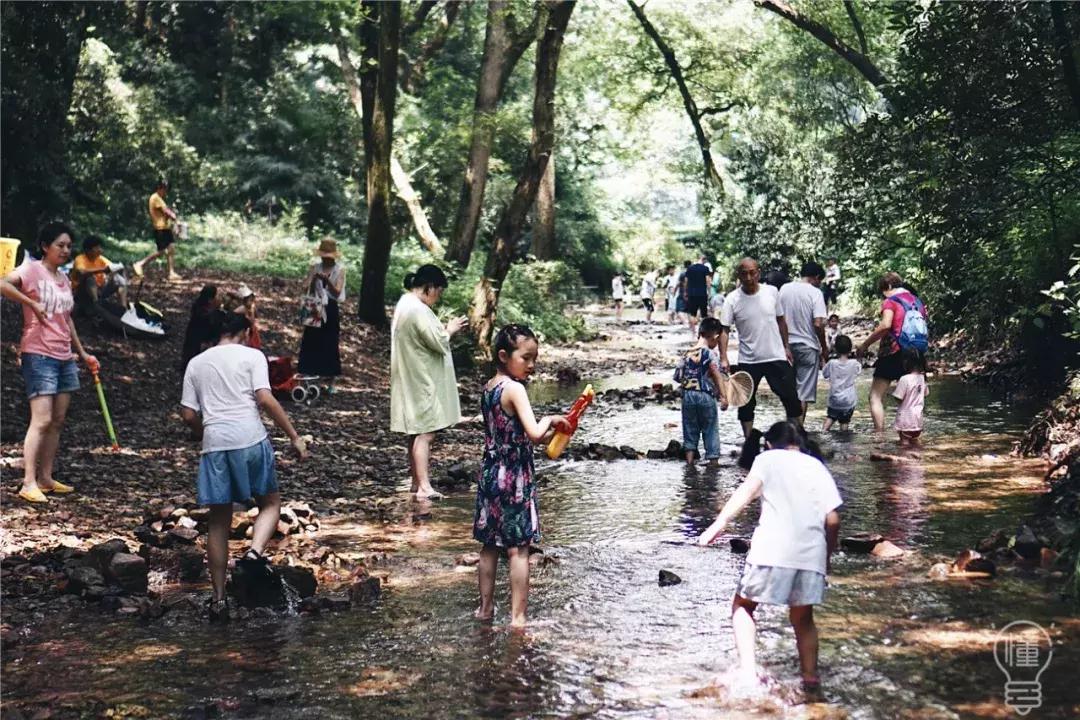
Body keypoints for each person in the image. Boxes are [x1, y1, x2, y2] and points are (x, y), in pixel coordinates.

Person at [180, 311, 308, 621]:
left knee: (218, 522)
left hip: (215, 444)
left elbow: (187, 413)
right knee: (270, 502)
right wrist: (294, 436)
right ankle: (253, 555)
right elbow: (264, 398)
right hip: (250, 439)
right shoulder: (253, 356)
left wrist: (203, 432)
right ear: (246, 331)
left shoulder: (197, 363)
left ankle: (219, 599)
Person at [698, 421, 842, 693]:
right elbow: (833, 520)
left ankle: (748, 672)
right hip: (810, 556)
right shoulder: (817, 466)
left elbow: (745, 493)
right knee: (803, 619)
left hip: (771, 551)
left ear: (768, 443)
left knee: (743, 606)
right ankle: (811, 681)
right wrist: (826, 556)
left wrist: (716, 527)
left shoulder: (767, 459)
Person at [473, 324, 569, 628]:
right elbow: (536, 434)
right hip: (514, 476)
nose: (532, 365)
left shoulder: (490, 387)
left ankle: (485, 610)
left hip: (490, 471)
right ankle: (518, 618)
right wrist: (553, 419)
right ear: (504, 355)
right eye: (526, 358)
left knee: (489, 544)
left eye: (535, 359)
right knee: (519, 548)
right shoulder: (515, 389)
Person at [0, 222, 99, 503]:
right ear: (45, 246)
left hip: (64, 356)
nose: (66, 250)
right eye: (60, 245)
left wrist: (82, 353)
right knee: (41, 420)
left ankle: (46, 478)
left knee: (57, 420)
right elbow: (2, 284)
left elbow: (67, 319)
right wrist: (31, 304)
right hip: (38, 354)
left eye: (69, 246)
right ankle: (28, 482)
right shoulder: (31, 270)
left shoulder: (64, 279)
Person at [390, 264, 468, 499]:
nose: (439, 296)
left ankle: (417, 483)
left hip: (412, 374)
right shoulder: (417, 309)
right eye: (439, 291)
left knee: (416, 431)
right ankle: (424, 486)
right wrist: (451, 329)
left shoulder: (405, 303)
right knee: (426, 432)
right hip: (421, 377)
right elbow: (437, 341)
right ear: (429, 287)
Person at [719, 258, 802, 439]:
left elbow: (781, 320)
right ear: (738, 275)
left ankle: (796, 437)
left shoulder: (771, 292)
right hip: (748, 359)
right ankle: (748, 440)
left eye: (752, 273)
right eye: (744, 274)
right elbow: (724, 330)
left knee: (791, 397)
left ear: (759, 272)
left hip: (776, 355)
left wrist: (786, 347)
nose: (749, 278)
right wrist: (723, 357)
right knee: (745, 402)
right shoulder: (732, 299)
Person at [856, 272, 929, 431]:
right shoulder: (917, 301)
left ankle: (879, 436)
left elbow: (886, 325)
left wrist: (865, 345)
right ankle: (911, 432)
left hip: (893, 351)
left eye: (883, 291)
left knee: (875, 396)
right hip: (915, 353)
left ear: (888, 287)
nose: (884, 295)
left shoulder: (891, 301)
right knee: (912, 395)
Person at [778, 262, 828, 424]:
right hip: (808, 346)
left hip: (784, 347)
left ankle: (789, 430)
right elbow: (818, 324)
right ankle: (798, 433)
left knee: (790, 393)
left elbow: (777, 317)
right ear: (817, 277)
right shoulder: (816, 293)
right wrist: (824, 347)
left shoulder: (784, 288)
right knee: (803, 393)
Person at [675, 317, 729, 465]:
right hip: (705, 395)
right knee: (710, 429)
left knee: (689, 429)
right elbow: (717, 375)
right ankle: (713, 465)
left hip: (688, 396)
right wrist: (723, 396)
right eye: (717, 342)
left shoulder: (686, 354)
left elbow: (678, 376)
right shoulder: (710, 354)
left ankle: (690, 464)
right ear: (716, 337)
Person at [297, 238, 346, 390]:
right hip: (315, 305)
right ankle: (308, 374)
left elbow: (337, 292)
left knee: (330, 341)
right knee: (311, 339)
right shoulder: (315, 267)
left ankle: (331, 380)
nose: (325, 258)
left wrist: (327, 280)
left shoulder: (340, 270)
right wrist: (313, 277)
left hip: (330, 307)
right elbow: (305, 287)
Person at [133, 180, 182, 281]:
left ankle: (171, 273)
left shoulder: (159, 198)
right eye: (165, 189)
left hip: (165, 228)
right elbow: (166, 211)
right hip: (160, 228)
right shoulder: (155, 197)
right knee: (162, 251)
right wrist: (173, 216)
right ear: (160, 188)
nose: (166, 192)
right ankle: (140, 264)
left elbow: (163, 213)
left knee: (171, 248)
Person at [71, 235, 127, 310]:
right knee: (89, 278)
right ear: (88, 250)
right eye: (97, 248)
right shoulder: (80, 259)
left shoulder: (100, 259)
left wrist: (117, 269)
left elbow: (111, 267)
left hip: (99, 290)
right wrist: (103, 270)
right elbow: (81, 272)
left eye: (100, 248)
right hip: (82, 293)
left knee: (119, 279)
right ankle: (97, 307)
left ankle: (123, 307)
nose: (100, 250)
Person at [822, 335, 860, 431]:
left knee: (830, 417)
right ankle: (844, 442)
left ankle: (823, 434)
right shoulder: (854, 363)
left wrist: (823, 360)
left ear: (835, 349)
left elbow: (825, 374)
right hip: (848, 400)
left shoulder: (831, 363)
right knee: (844, 422)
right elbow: (858, 371)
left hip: (834, 399)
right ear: (850, 349)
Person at [893, 347, 928, 446]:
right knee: (915, 441)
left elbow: (899, 398)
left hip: (906, 419)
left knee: (904, 444)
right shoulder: (922, 378)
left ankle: (906, 460)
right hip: (918, 419)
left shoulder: (904, 379)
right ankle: (918, 459)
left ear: (906, 362)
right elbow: (925, 393)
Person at [181, 285, 221, 371]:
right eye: (217, 295)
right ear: (210, 299)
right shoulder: (208, 313)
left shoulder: (198, 306)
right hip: (200, 341)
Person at [682, 254, 712, 334]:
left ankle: (693, 332)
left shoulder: (690, 269)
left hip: (692, 294)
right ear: (703, 260)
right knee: (704, 314)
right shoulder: (705, 268)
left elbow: (686, 282)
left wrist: (685, 292)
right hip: (702, 294)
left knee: (692, 313)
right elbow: (708, 281)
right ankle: (702, 333)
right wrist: (709, 292)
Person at [225, 284, 261, 350]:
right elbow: (251, 322)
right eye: (250, 299)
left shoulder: (248, 308)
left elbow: (254, 319)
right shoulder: (242, 308)